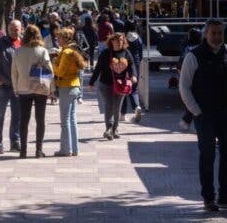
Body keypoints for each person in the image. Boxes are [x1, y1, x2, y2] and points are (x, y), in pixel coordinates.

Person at [179, 19, 227, 212]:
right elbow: (184, 87)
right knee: (207, 157)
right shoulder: (194, 55)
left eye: (220, 33)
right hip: (205, 116)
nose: (217, 36)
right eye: (214, 33)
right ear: (205, 34)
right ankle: (209, 198)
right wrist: (196, 111)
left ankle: (226, 194)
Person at [11, 25, 54, 159]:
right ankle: (38, 150)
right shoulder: (42, 51)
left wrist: (15, 88)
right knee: (40, 119)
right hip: (40, 88)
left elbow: (14, 72)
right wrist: (52, 89)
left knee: (24, 120)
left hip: (23, 88)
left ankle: (23, 151)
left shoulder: (18, 51)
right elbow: (49, 71)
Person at [89, 33, 137, 141]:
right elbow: (98, 69)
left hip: (121, 84)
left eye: (121, 40)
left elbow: (132, 65)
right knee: (109, 105)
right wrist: (92, 82)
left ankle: (115, 129)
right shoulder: (105, 53)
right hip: (106, 84)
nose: (119, 42)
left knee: (117, 106)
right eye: (117, 40)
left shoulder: (126, 52)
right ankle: (108, 128)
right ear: (111, 41)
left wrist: (133, 75)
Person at [0, 20, 22, 154]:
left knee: (17, 116)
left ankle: (15, 142)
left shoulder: (24, 44)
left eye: (16, 29)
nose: (14, 31)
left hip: (18, 86)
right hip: (3, 85)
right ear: (7, 29)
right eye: (11, 29)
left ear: (21, 29)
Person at [52, 26, 87, 157]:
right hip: (75, 86)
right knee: (72, 119)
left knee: (65, 120)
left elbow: (60, 71)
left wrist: (54, 63)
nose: (57, 40)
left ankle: (66, 149)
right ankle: (74, 149)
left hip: (66, 87)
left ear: (64, 38)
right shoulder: (74, 49)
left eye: (59, 37)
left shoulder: (66, 52)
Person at [178, 28, 203, 130]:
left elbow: (181, 61)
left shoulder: (186, 47)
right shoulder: (199, 49)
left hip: (187, 74)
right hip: (196, 76)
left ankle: (186, 120)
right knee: (196, 98)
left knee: (192, 97)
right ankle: (186, 120)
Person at [122, 22, 144, 123]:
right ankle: (137, 106)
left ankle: (122, 115)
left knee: (123, 90)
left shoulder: (123, 38)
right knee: (134, 88)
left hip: (125, 64)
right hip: (136, 63)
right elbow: (141, 53)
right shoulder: (138, 38)